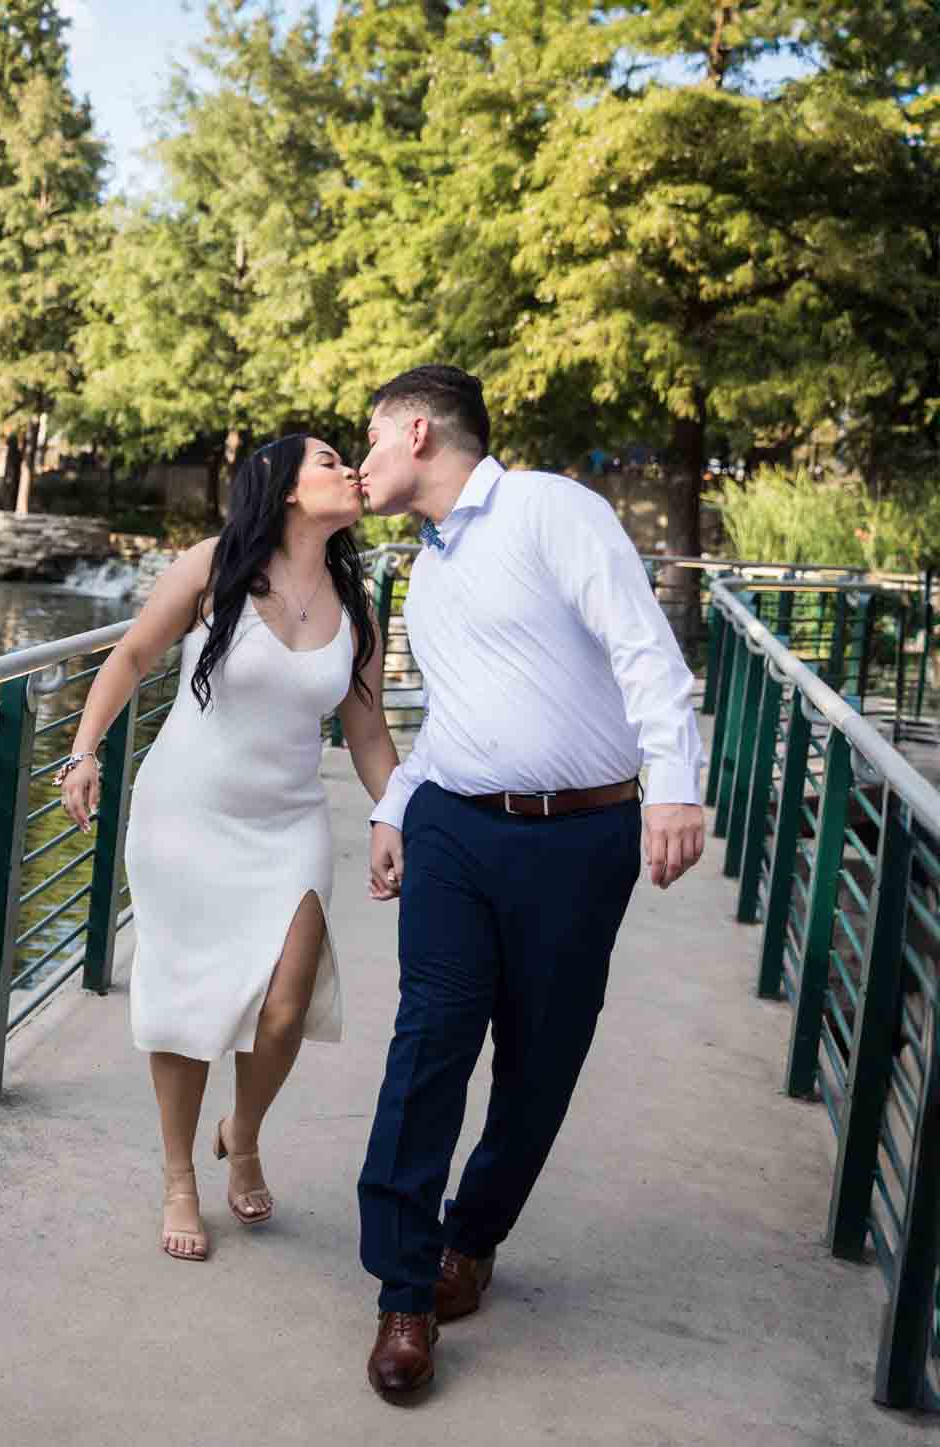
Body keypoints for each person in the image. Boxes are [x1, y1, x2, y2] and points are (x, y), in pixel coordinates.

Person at [352, 365, 705, 1400]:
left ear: (413, 433)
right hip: (453, 832)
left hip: (578, 839)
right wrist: (391, 805)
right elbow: (460, 716)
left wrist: (674, 787)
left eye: (366, 440)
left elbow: (644, 652)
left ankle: (473, 1239)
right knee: (429, 1041)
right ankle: (402, 1289)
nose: (361, 461)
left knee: (539, 1059)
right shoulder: (427, 565)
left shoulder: (551, 510)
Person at [58, 435, 399, 1262]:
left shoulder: (358, 609)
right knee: (183, 1001)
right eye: (327, 459)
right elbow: (134, 654)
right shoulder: (215, 566)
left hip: (289, 824)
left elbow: (366, 731)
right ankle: (181, 1177)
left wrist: (397, 814)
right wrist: (85, 748)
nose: (349, 467)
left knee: (286, 1003)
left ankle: (240, 1131)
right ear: (283, 488)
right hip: (186, 816)